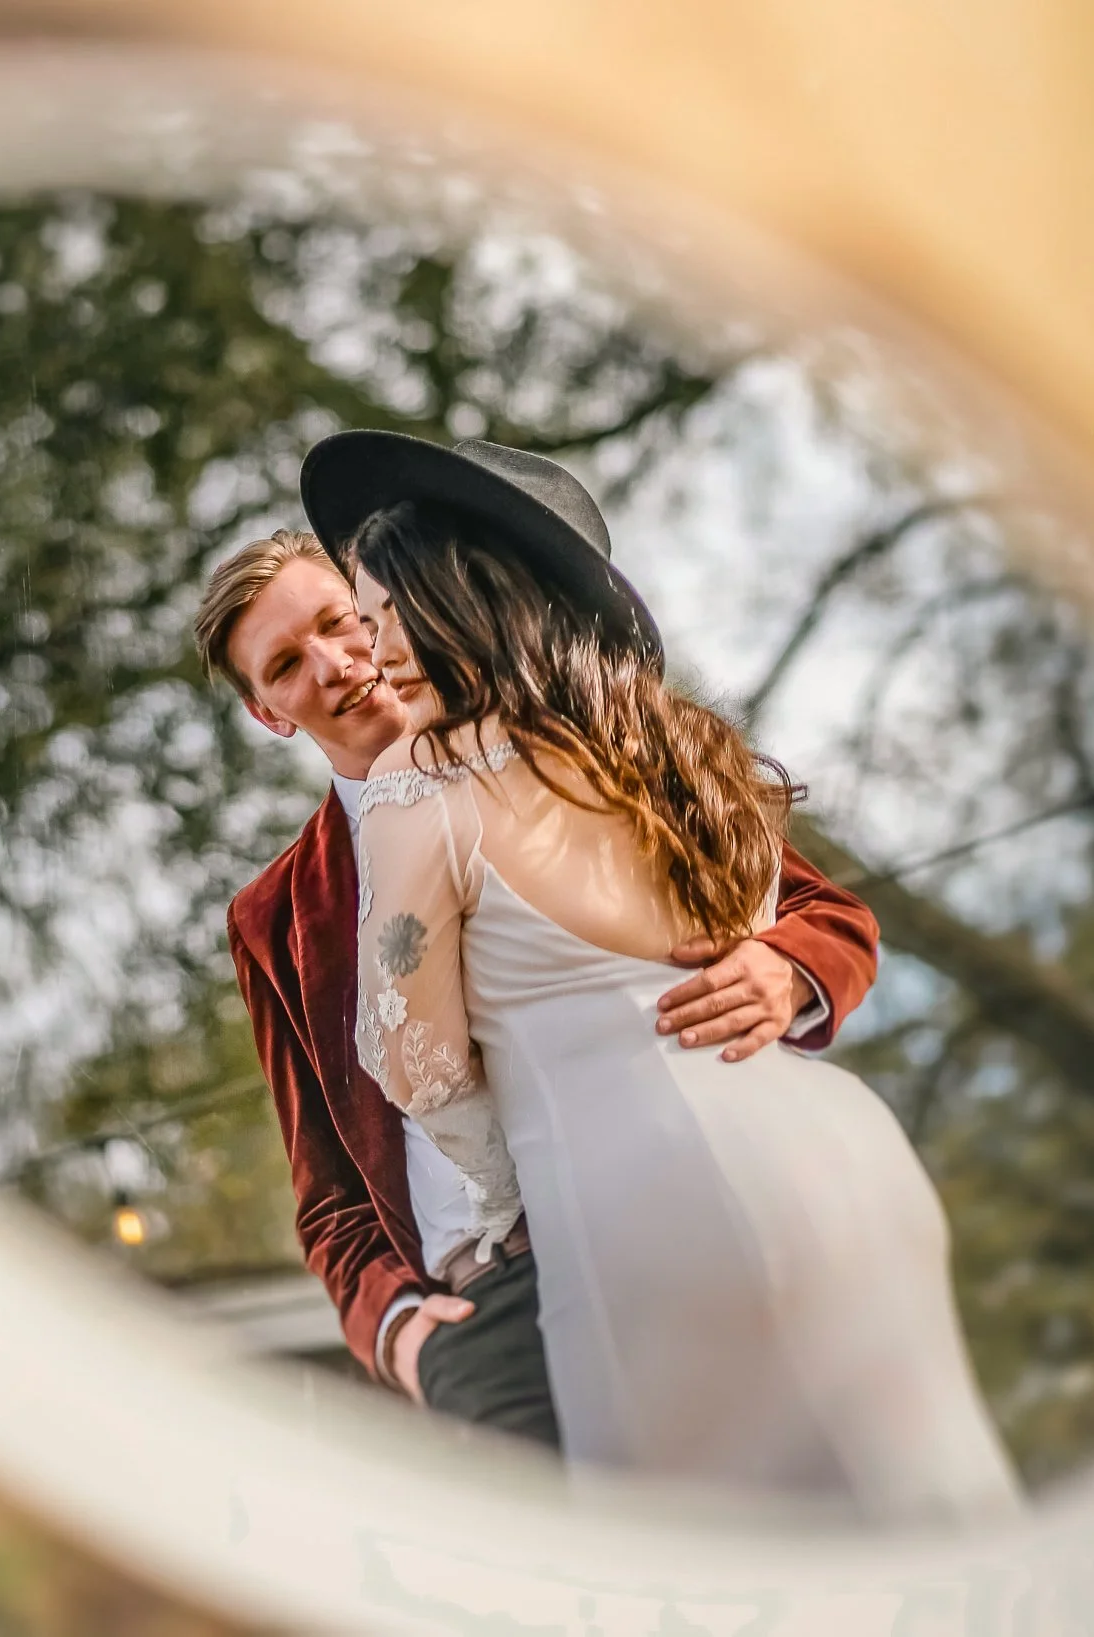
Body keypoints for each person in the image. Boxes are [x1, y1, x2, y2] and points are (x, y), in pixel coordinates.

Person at [302, 428, 1020, 1521]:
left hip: (651, 1208)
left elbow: (417, 1059)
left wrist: (499, 1200)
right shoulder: (685, 748)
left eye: (385, 607)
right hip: (843, 1160)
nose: (376, 642)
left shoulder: (423, 781)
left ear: (456, 597)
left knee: (733, 1566)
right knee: (929, 1522)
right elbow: (793, 906)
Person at [193, 502, 882, 1453]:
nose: (332, 663)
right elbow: (327, 1192)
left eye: (338, 622)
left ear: (382, 609)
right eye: (283, 665)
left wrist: (787, 965)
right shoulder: (273, 917)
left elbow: (823, 912)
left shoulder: (577, 749)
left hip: (684, 1219)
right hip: (487, 1305)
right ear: (268, 711)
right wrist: (397, 1331)